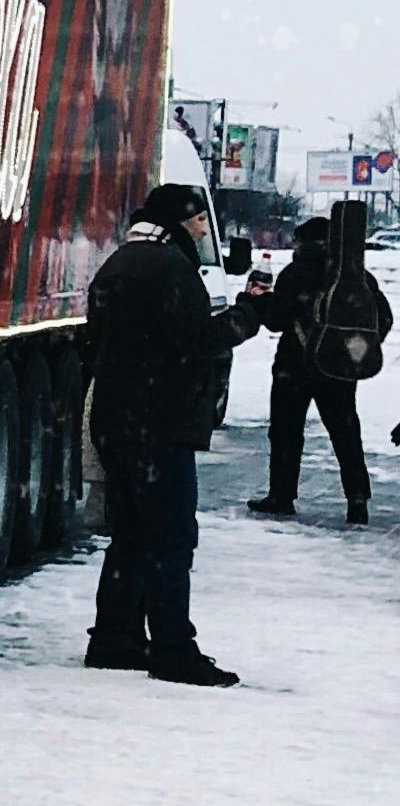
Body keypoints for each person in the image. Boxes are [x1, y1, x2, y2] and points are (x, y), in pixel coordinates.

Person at [82, 182, 265, 686]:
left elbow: (97, 339)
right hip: (158, 424)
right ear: (183, 221)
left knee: (132, 536)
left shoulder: (122, 262)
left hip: (120, 421)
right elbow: (194, 341)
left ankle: (114, 639)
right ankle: (172, 649)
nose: (206, 229)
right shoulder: (169, 268)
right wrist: (250, 314)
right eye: (200, 219)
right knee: (170, 538)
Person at [248, 213, 390, 524]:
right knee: (346, 432)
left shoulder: (295, 273)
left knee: (286, 431)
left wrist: (259, 300)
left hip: (294, 366)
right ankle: (357, 499)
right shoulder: (356, 276)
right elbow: (383, 319)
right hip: (338, 369)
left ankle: (281, 496)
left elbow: (276, 320)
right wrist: (352, 350)